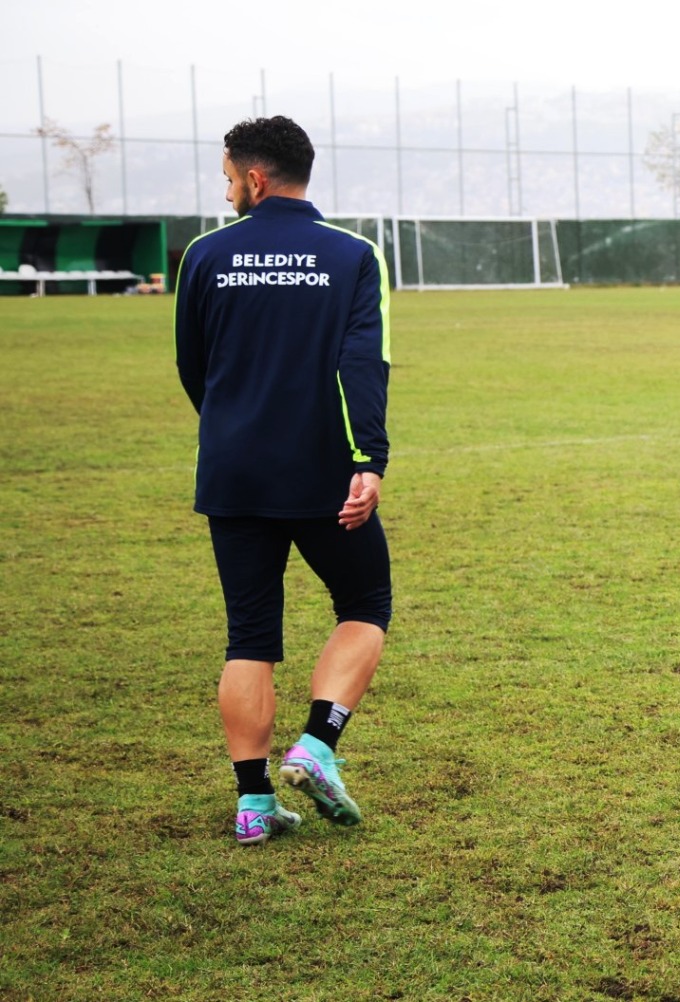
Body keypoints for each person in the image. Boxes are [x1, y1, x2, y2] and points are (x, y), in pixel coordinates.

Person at [175, 115, 392, 846]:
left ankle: (254, 804)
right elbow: (362, 365)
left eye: (229, 178)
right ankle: (318, 745)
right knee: (365, 602)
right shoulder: (353, 254)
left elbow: (193, 366)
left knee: (249, 636)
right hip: (323, 470)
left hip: (233, 469)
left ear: (255, 178)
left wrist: (234, 428)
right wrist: (367, 460)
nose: (227, 191)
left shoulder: (205, 254)